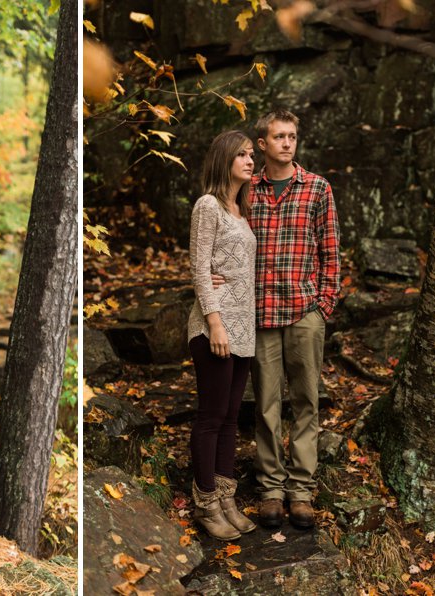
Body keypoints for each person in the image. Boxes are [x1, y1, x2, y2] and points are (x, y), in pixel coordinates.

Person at [225, 109, 340, 529]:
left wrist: (323, 305)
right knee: (267, 406)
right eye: (278, 137)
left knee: (306, 402)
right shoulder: (246, 191)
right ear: (262, 143)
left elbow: (331, 252)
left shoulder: (316, 189)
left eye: (292, 135)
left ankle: (301, 490)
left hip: (304, 312)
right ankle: (272, 488)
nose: (287, 143)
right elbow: (229, 240)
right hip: (261, 315)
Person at [188, 130, 258, 541]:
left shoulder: (241, 209)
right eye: (242, 155)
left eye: (252, 155)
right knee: (211, 417)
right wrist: (214, 321)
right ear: (224, 158)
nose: (250, 161)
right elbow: (200, 267)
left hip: (244, 327)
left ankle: (228, 498)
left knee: (232, 418)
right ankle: (206, 502)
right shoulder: (208, 205)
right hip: (214, 326)